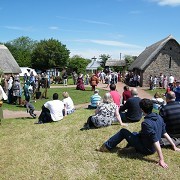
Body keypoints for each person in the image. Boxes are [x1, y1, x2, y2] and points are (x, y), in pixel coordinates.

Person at [97, 98, 180, 168]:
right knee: (134, 133)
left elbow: (155, 140)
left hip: (147, 149)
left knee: (123, 131)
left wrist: (161, 159)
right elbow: (164, 132)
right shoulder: (158, 116)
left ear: (141, 109)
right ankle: (129, 147)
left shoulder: (146, 123)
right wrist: (173, 145)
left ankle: (106, 147)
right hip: (148, 144)